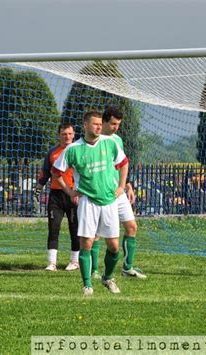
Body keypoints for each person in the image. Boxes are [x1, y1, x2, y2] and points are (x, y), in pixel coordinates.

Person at [52, 111, 129, 296]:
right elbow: (56, 173)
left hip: (109, 200)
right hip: (88, 201)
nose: (98, 127)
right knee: (86, 243)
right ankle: (87, 285)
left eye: (99, 124)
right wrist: (70, 191)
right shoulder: (73, 149)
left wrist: (121, 186)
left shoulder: (110, 143)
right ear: (85, 125)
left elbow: (124, 163)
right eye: (94, 124)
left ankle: (108, 277)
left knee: (114, 246)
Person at [89, 106, 146, 280]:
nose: (115, 127)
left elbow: (120, 165)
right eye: (113, 123)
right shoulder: (94, 141)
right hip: (102, 193)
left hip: (118, 192)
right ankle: (94, 270)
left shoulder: (117, 140)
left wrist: (127, 185)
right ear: (104, 122)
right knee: (96, 234)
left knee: (131, 227)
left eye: (118, 124)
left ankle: (127, 268)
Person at [34, 123, 80, 272]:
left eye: (69, 134)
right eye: (64, 134)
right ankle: (52, 263)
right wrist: (38, 188)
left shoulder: (79, 151)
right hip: (55, 195)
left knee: (76, 228)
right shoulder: (52, 153)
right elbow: (46, 172)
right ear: (59, 135)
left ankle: (75, 261)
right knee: (54, 228)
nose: (67, 136)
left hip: (74, 195)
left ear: (74, 135)